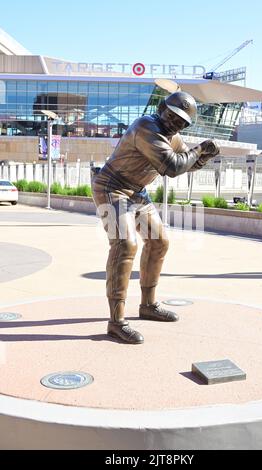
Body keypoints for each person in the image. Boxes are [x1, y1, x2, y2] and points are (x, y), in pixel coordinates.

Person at [91, 91, 220, 345]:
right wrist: (199, 149)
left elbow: (186, 163)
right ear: (162, 108)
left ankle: (148, 305)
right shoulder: (145, 127)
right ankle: (116, 322)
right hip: (112, 187)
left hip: (137, 192)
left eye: (181, 121)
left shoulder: (173, 138)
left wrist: (205, 156)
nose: (175, 123)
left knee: (159, 241)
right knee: (125, 244)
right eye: (172, 115)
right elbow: (172, 167)